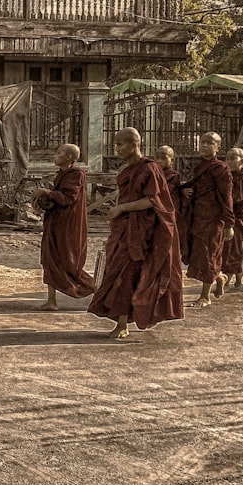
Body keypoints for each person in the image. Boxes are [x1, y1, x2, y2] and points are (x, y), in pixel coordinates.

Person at [88, 127, 183, 339]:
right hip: (125, 230)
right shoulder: (125, 170)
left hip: (144, 233)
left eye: (121, 144)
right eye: (116, 145)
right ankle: (122, 322)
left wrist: (122, 208)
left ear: (135, 144)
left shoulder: (150, 169)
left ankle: (124, 324)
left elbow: (153, 200)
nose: (117, 149)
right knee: (119, 274)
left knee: (131, 276)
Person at [33, 143, 94, 310]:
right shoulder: (61, 174)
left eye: (59, 153)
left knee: (68, 263)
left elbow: (68, 198)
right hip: (54, 222)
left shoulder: (77, 174)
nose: (55, 156)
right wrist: (42, 202)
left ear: (69, 157)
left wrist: (47, 193)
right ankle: (51, 301)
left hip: (68, 224)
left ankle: (96, 289)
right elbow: (55, 201)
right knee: (49, 260)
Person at [181, 132, 234, 308]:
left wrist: (229, 224)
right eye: (202, 142)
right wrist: (186, 191)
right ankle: (218, 277)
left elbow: (226, 196)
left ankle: (205, 296)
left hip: (213, 218)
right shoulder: (200, 166)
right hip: (198, 217)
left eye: (210, 143)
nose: (204, 145)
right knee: (200, 255)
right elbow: (195, 187)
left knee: (209, 254)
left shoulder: (221, 168)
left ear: (218, 147)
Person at [218, 147, 243, 293]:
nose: (230, 162)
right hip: (227, 218)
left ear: (242, 161)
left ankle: (228, 279)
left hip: (237, 219)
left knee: (232, 250)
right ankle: (238, 274)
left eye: (234, 158)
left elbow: (237, 198)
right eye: (227, 159)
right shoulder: (228, 176)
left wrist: (223, 194)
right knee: (227, 249)